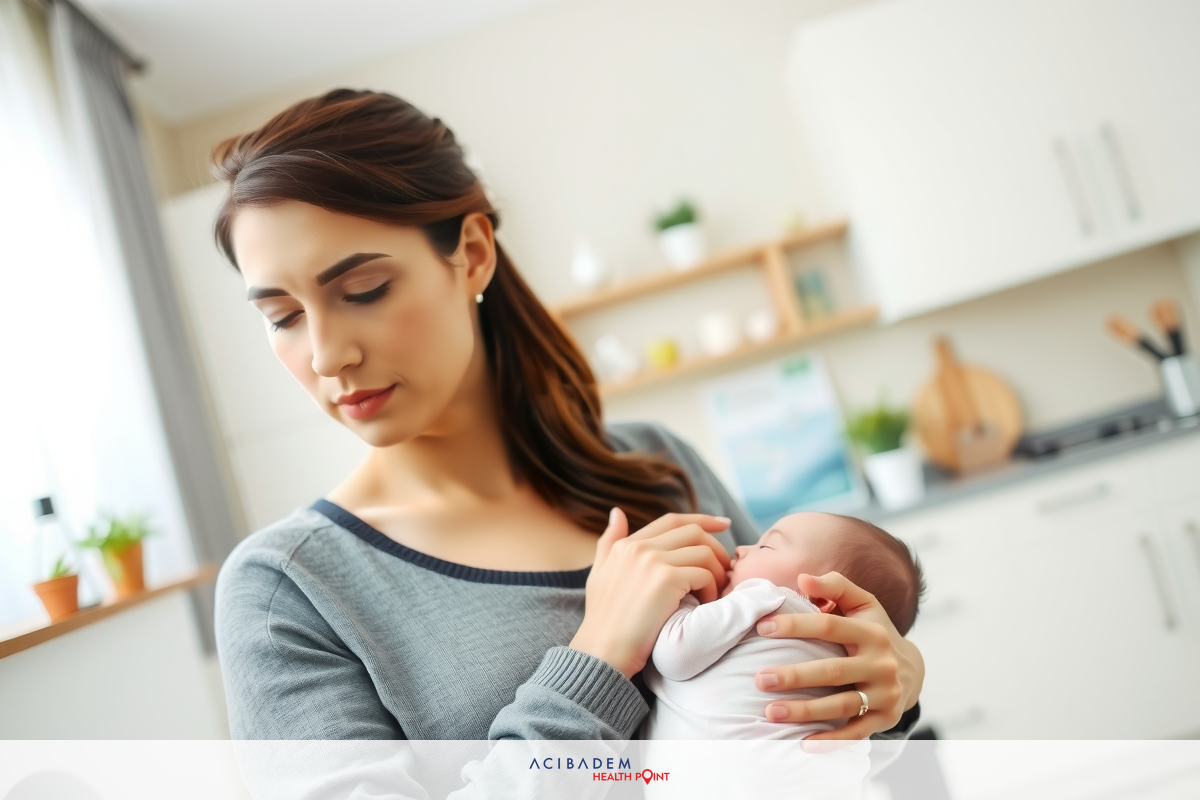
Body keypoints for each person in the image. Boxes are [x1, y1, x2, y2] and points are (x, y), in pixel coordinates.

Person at [211, 89, 924, 771]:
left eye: (363, 290)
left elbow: (795, 715)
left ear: (474, 254)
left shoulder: (657, 463)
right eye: (282, 316)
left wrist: (888, 692)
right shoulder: (288, 592)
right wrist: (597, 660)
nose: (327, 353)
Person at [644, 512, 924, 740]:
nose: (739, 549)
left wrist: (681, 596)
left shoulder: (766, 596)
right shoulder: (848, 675)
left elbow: (673, 656)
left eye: (765, 546)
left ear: (822, 595)